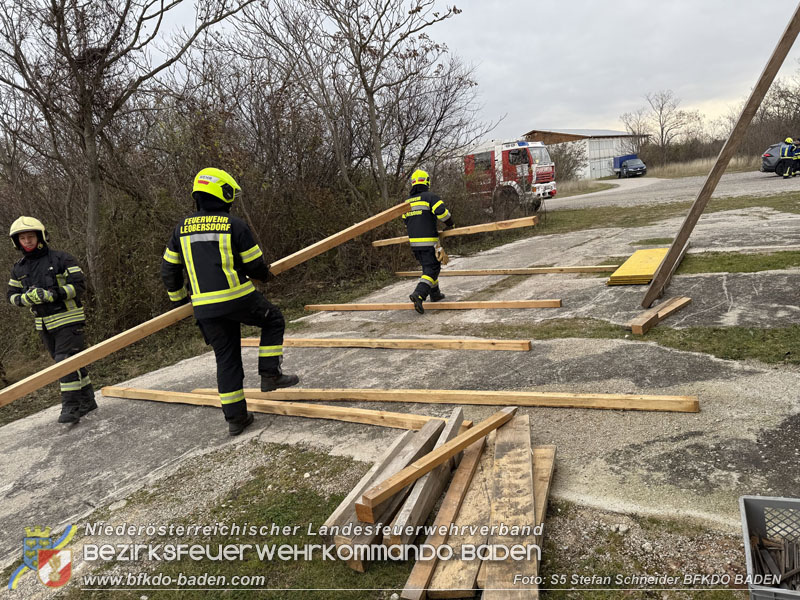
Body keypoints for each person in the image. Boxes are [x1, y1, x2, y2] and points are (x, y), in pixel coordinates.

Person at [161, 167, 299, 436]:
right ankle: (270, 374)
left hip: (205, 307)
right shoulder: (233, 225)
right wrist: (265, 276)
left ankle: (236, 419)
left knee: (226, 359)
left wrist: (180, 302)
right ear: (222, 193)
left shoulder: (181, 229)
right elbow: (255, 264)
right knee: (274, 319)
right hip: (237, 297)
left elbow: (169, 271)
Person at [6, 216, 96, 424]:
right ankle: (87, 400)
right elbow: (10, 295)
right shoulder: (18, 268)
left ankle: (71, 407)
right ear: (16, 242)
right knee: (74, 363)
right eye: (22, 238)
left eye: (30, 236)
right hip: (44, 325)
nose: (27, 241)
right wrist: (24, 299)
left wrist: (52, 294)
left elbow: (80, 286)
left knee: (63, 363)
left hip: (69, 320)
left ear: (41, 237)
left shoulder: (61, 259)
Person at [403, 169, 455, 314]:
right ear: (426, 182)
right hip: (428, 241)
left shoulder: (407, 202)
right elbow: (443, 213)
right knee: (432, 269)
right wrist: (450, 224)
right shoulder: (430, 197)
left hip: (414, 244)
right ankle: (419, 294)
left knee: (428, 267)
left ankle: (435, 294)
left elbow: (405, 221)